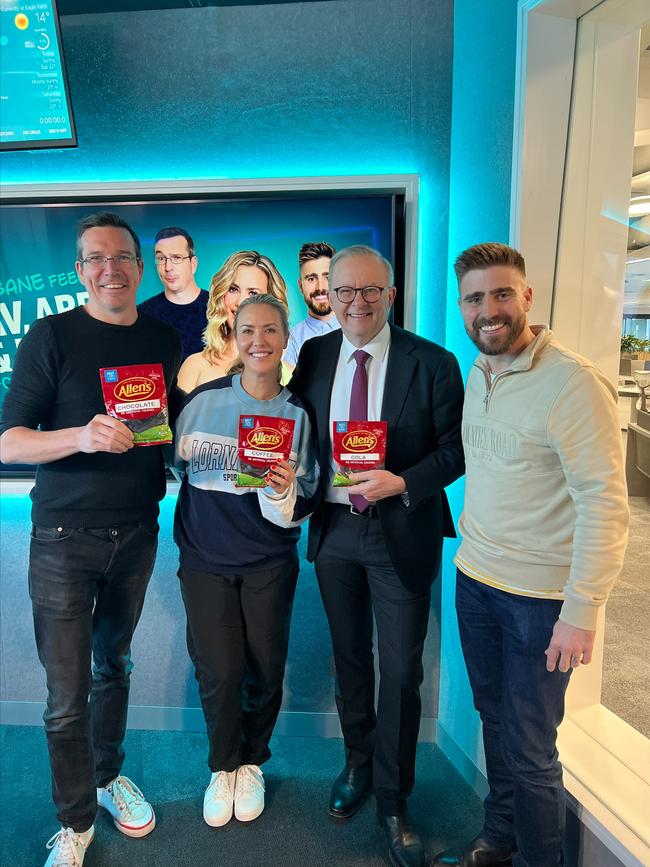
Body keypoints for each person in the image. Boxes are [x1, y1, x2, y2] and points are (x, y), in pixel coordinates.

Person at [432, 242, 629, 867]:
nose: (488, 310)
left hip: (541, 603)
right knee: (495, 720)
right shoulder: (479, 370)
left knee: (532, 746)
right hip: (476, 580)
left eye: (501, 295)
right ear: (462, 307)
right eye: (474, 299)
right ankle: (499, 838)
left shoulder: (573, 384)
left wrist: (582, 607)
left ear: (527, 298)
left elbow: (605, 504)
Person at [0, 212, 182, 867]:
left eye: (122, 257)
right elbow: (10, 439)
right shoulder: (50, 336)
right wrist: (81, 434)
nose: (111, 269)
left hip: (137, 533)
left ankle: (107, 777)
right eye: (95, 258)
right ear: (80, 270)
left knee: (116, 667)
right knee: (65, 693)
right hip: (61, 539)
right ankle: (75, 820)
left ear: (139, 267)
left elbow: (167, 432)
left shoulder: (163, 339)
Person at [289, 245, 465, 867]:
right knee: (349, 661)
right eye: (344, 293)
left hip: (400, 528)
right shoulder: (312, 354)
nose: (356, 303)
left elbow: (455, 452)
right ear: (328, 297)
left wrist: (405, 482)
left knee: (400, 671)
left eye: (369, 292)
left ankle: (396, 801)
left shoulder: (434, 362)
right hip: (335, 529)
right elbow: (293, 424)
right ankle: (357, 765)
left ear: (391, 294)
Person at [174, 293, 319, 828]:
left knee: (264, 669)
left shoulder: (299, 412)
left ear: (285, 339)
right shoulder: (201, 400)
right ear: (234, 337)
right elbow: (174, 465)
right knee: (218, 670)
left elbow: (308, 495)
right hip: (205, 560)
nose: (258, 341)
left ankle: (253, 761)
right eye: (247, 330)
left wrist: (281, 490)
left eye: (270, 331)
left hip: (268, 562)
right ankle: (222, 767)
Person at [177, 250, 288, 393]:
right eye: (233, 289)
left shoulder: (289, 374)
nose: (241, 302)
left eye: (253, 293)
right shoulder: (195, 366)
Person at [138, 226, 209, 360]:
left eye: (176, 258)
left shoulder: (219, 308)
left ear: (193, 264)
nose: (167, 267)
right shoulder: (142, 314)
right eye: (161, 259)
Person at [283, 241, 339, 368]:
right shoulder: (290, 341)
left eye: (328, 277)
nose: (320, 287)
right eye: (311, 279)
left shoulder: (358, 331)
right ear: (301, 286)